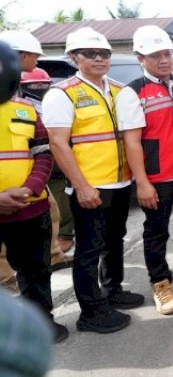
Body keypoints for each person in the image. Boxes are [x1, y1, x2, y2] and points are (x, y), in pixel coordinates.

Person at [42, 27, 143, 334]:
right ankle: (91, 312)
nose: (99, 59)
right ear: (74, 57)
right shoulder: (62, 94)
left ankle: (113, 290)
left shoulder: (117, 90)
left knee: (114, 240)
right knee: (89, 249)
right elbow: (59, 144)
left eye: (104, 54)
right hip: (90, 186)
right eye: (90, 54)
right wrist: (82, 186)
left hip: (120, 183)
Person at [114, 26, 173, 315]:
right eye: (155, 55)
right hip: (158, 178)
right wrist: (142, 182)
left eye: (167, 53)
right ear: (140, 58)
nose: (164, 60)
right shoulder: (132, 92)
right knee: (156, 232)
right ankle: (160, 281)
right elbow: (132, 142)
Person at [0, 38, 69, 343]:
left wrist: (30, 188)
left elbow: (42, 152)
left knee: (36, 272)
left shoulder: (25, 108)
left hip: (31, 207)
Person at [19, 68, 74, 273]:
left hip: (54, 162)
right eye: (35, 85)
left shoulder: (55, 101)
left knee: (58, 207)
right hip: (27, 169)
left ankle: (59, 245)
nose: (40, 88)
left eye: (44, 84)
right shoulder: (20, 107)